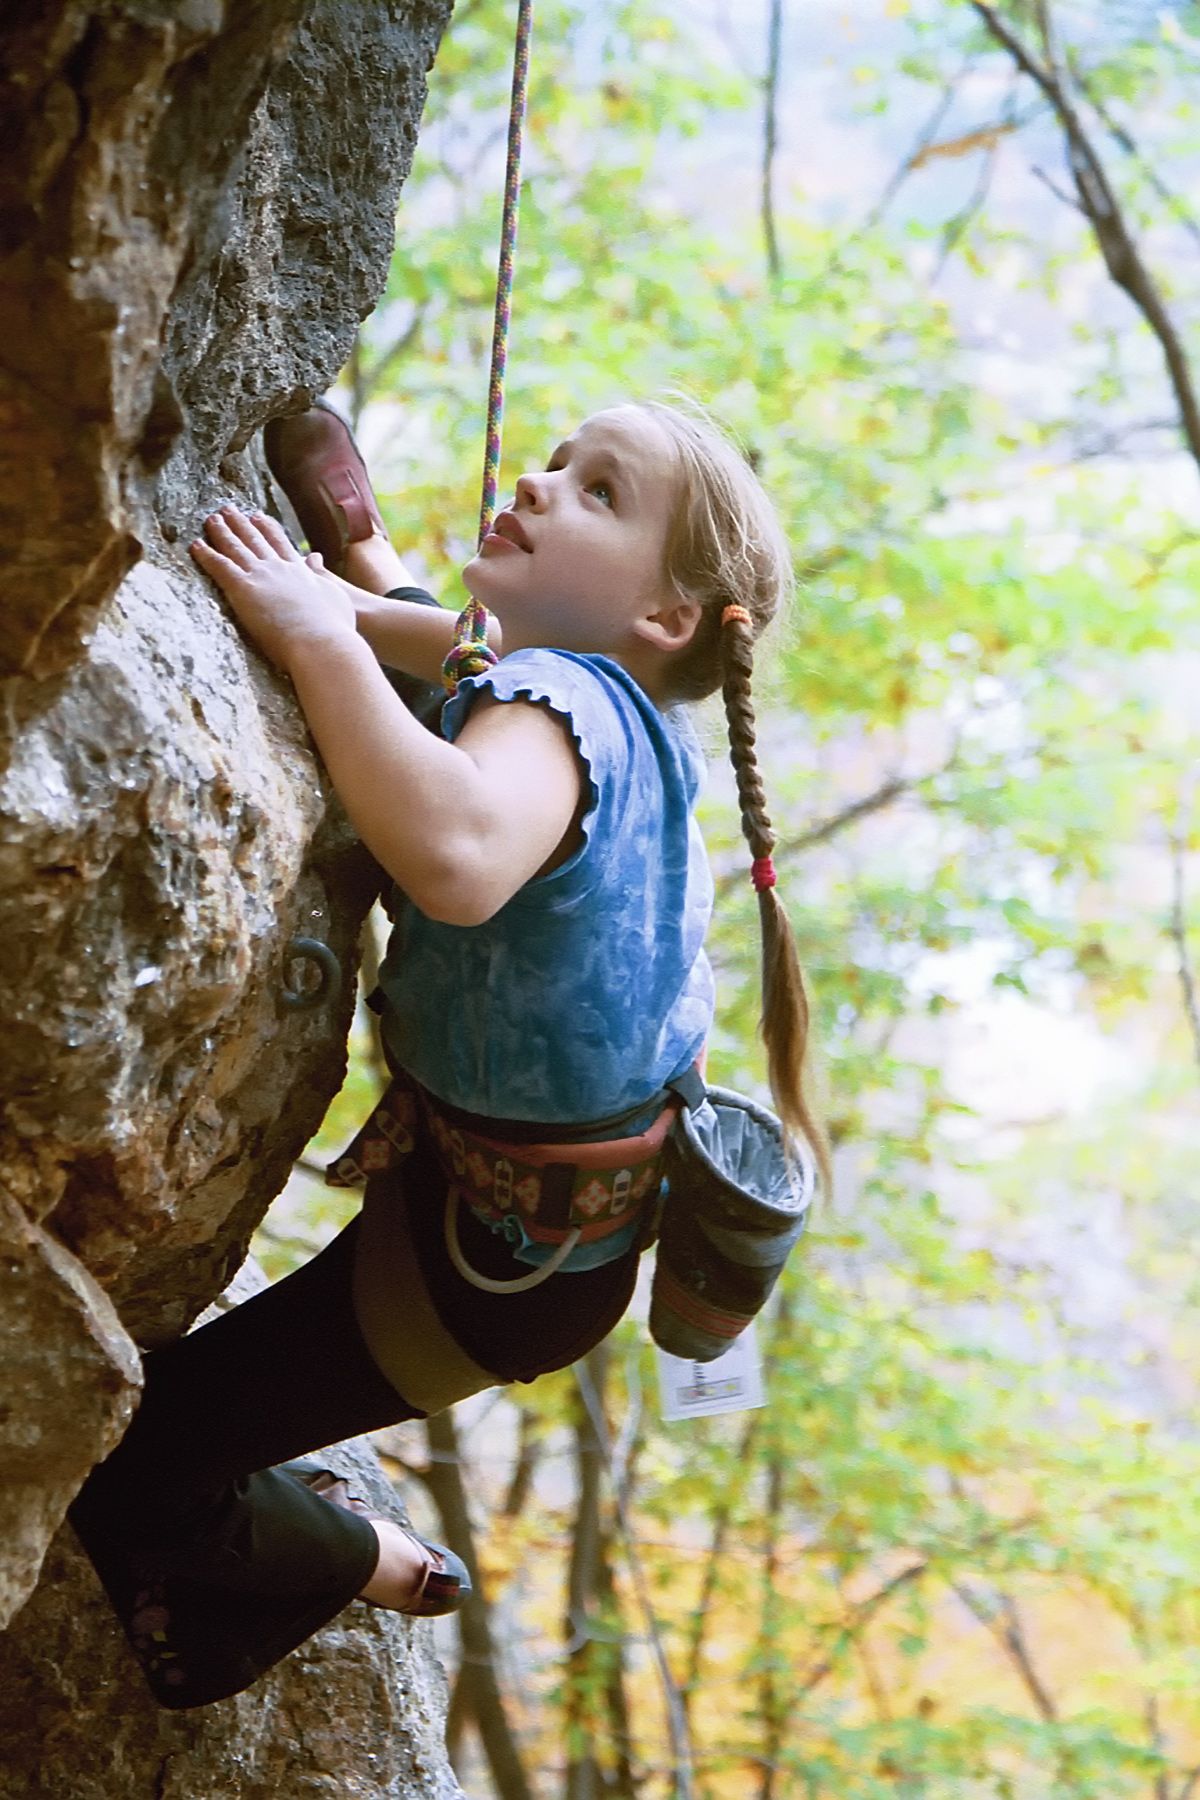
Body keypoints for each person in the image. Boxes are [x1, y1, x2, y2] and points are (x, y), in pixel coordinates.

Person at [68, 397, 827, 1709]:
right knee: (449, 668)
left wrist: (316, 638)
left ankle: (354, 1552)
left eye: (596, 493)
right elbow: (467, 653)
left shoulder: (565, 699)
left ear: (665, 618)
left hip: (483, 1279)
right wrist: (357, 605)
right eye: (555, 460)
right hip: (530, 1223)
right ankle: (363, 550)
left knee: (132, 1455)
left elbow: (461, 857)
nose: (537, 482)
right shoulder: (633, 710)